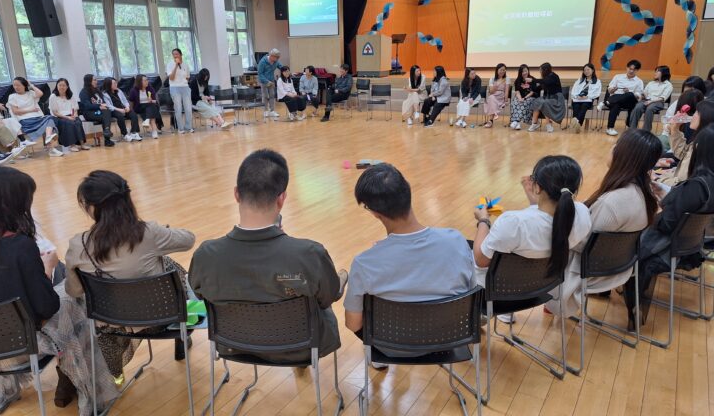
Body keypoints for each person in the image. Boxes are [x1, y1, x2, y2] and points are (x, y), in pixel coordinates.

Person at [0, 167, 118, 414]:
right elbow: (46, 308)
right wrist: (48, 268)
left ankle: (5, 389)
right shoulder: (19, 246)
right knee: (73, 298)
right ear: (13, 205)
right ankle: (92, 391)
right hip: (16, 350)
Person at [189, 149, 345, 363]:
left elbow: (200, 295)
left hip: (233, 345)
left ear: (236, 194)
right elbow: (328, 296)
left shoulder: (205, 256)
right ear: (281, 199)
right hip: (301, 348)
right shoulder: (309, 254)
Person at [65, 170, 196, 377]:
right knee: (168, 264)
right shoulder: (149, 233)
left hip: (110, 324)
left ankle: (112, 373)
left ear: (92, 207)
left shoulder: (78, 244)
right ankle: (181, 334)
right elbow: (189, 239)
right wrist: (163, 232)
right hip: (160, 320)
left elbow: (74, 291)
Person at [344, 164, 475, 360]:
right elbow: (469, 292)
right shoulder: (456, 240)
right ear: (408, 193)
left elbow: (353, 324)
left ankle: (377, 360)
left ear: (374, 212)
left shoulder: (365, 263)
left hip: (390, 346)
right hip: (450, 339)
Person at [546, 130, 662, 316]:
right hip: (621, 266)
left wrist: (557, 220)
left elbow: (583, 243)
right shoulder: (644, 193)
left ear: (624, 155)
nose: (612, 148)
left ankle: (545, 299)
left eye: (617, 145)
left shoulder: (612, 202)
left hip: (591, 270)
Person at [472, 155, 591, 323]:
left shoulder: (514, 222)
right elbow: (544, 217)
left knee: (460, 247)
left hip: (497, 293)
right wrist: (535, 194)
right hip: (544, 287)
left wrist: (483, 220)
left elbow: (481, 260)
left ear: (538, 187)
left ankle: (472, 314)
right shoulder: (582, 214)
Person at [625, 125, 714, 329]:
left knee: (624, 241)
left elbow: (666, 224)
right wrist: (670, 194)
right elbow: (688, 208)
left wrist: (661, 205)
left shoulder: (696, 186)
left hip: (668, 250)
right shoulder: (705, 185)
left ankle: (623, 298)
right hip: (691, 246)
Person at [657, 96, 711, 187]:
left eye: (696, 113)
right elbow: (682, 153)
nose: (691, 116)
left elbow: (682, 182)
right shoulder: (699, 138)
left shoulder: (705, 145)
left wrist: (657, 179)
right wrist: (675, 128)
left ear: (705, 118)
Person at [7, 77, 62, 157]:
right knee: (49, 123)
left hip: (37, 118)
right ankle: (51, 149)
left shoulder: (30, 93)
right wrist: (31, 110)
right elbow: (16, 111)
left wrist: (31, 85)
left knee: (50, 118)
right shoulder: (12, 96)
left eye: (18, 85)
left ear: (24, 85)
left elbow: (40, 93)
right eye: (14, 85)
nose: (16, 87)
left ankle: (48, 138)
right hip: (25, 121)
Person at [597, 59, 644, 136]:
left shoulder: (639, 81)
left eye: (634, 70)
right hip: (616, 99)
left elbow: (639, 96)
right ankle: (610, 128)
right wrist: (612, 89)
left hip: (629, 102)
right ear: (627, 68)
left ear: (637, 70)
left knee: (629, 94)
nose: (631, 71)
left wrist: (629, 92)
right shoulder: (618, 77)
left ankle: (605, 102)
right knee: (616, 104)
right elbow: (609, 89)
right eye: (630, 68)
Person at [50, 78, 90, 152]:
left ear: (67, 86)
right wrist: (67, 118)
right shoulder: (53, 96)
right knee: (69, 123)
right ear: (57, 86)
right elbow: (55, 112)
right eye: (60, 85)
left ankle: (82, 144)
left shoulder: (70, 95)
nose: (62, 87)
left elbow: (75, 108)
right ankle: (72, 145)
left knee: (78, 122)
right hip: (59, 117)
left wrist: (74, 115)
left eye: (64, 85)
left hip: (71, 115)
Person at [629, 65, 673, 131]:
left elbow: (663, 98)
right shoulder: (651, 83)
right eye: (655, 71)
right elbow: (645, 93)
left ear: (664, 73)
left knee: (650, 108)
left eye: (657, 71)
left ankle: (646, 131)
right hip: (647, 100)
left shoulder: (668, 85)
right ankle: (632, 129)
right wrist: (640, 96)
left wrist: (651, 101)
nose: (655, 73)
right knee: (638, 107)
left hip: (658, 102)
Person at [79, 74, 115, 147]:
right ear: (89, 81)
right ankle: (107, 138)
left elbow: (103, 102)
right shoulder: (83, 93)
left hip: (100, 112)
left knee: (106, 112)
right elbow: (87, 106)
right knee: (106, 115)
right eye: (94, 80)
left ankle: (107, 132)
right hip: (90, 113)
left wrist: (103, 105)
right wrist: (99, 106)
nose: (96, 81)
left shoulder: (97, 91)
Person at [529, 63, 566, 133]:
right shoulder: (545, 79)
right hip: (548, 98)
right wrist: (530, 85)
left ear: (545, 70)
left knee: (545, 103)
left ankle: (548, 125)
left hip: (556, 99)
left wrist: (533, 80)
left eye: (541, 70)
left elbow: (546, 82)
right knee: (537, 101)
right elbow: (537, 88)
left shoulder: (553, 76)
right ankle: (534, 123)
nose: (540, 72)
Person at [101, 77, 141, 142]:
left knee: (133, 114)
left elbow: (125, 100)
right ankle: (124, 134)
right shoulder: (104, 94)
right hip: (114, 110)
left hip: (123, 108)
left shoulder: (119, 91)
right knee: (120, 116)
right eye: (114, 83)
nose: (116, 84)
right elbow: (109, 106)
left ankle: (134, 132)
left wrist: (127, 107)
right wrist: (119, 110)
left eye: (116, 83)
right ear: (108, 85)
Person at [166, 48, 194, 133]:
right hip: (174, 87)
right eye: (173, 54)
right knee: (178, 108)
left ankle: (188, 127)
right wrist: (176, 66)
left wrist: (184, 83)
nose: (175, 56)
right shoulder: (170, 65)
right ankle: (180, 128)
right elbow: (171, 78)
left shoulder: (185, 65)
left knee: (188, 108)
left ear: (181, 55)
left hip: (185, 87)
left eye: (177, 54)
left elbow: (188, 77)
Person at [568, 63, 602, 133]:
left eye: (588, 70)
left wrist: (587, 96)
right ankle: (578, 125)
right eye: (585, 70)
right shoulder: (579, 80)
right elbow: (573, 90)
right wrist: (576, 96)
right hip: (578, 99)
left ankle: (576, 121)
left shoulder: (597, 81)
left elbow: (597, 93)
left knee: (584, 106)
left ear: (592, 70)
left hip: (588, 100)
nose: (586, 71)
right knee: (576, 106)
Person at [127, 74, 162, 139]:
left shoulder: (150, 88)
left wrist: (151, 100)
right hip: (139, 107)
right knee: (151, 109)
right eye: (145, 80)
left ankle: (150, 125)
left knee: (151, 106)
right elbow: (131, 101)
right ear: (139, 82)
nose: (147, 82)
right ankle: (152, 129)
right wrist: (131, 110)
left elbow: (155, 101)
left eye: (147, 80)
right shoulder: (134, 90)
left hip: (149, 106)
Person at [510, 64, 539, 130]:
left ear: (528, 71)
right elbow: (517, 91)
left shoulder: (532, 79)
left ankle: (516, 121)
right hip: (521, 97)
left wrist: (524, 98)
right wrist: (520, 98)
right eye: (523, 71)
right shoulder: (518, 80)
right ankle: (517, 123)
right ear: (520, 72)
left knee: (524, 103)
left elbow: (532, 92)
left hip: (531, 97)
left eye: (526, 71)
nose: (525, 73)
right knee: (515, 102)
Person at [257, 49, 282, 119]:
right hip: (263, 81)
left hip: (271, 80)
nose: (277, 59)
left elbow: (281, 67)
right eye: (276, 58)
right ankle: (265, 110)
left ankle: (272, 111)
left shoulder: (276, 61)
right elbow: (260, 74)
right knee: (265, 96)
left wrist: (286, 71)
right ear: (271, 56)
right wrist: (267, 81)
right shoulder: (262, 62)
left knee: (272, 95)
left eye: (277, 58)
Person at [483, 63, 510, 128]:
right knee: (491, 97)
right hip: (494, 95)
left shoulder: (507, 78)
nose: (502, 71)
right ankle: (494, 115)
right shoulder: (492, 79)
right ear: (497, 70)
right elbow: (491, 92)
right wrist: (495, 87)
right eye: (501, 70)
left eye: (504, 70)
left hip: (501, 96)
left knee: (491, 99)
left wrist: (506, 100)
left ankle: (490, 121)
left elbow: (506, 91)